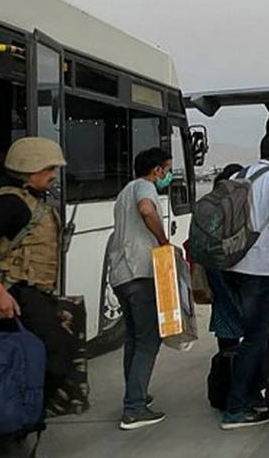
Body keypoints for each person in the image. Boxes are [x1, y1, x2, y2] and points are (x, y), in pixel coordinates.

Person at [220, 133, 269, 430]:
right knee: (256, 340)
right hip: (259, 269)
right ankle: (237, 408)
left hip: (233, 265)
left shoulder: (242, 174)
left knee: (249, 338)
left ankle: (250, 397)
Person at [0, 137, 76, 408]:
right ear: (29, 171)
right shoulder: (10, 204)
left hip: (30, 295)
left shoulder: (29, 201)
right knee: (53, 356)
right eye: (48, 169)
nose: (53, 176)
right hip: (15, 295)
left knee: (51, 355)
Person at [104, 147, 173, 430]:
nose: (167, 176)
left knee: (133, 338)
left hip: (120, 275)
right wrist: (163, 240)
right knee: (149, 339)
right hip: (139, 273)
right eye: (166, 171)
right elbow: (147, 210)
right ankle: (134, 408)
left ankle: (136, 393)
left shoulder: (124, 193)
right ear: (156, 170)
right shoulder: (145, 187)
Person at [205, 163, 246, 352]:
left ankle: (227, 371)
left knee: (227, 333)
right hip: (241, 278)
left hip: (218, 278)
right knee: (255, 336)